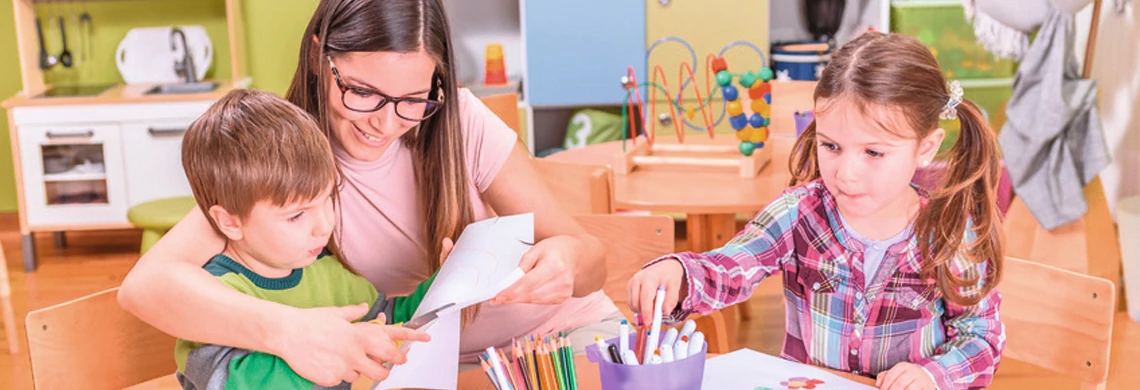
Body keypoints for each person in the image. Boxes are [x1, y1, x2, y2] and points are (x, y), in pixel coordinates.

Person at [118, 0, 622, 385]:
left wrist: (567, 260)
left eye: (413, 99)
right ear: (319, 54)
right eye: (362, 92)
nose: (385, 123)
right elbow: (148, 286)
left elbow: (590, 260)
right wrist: (287, 332)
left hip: (559, 345)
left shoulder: (459, 120)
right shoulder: (286, 159)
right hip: (424, 374)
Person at [627, 32, 1006, 390]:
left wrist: (933, 375)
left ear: (925, 147)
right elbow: (731, 266)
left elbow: (982, 336)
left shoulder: (951, 231)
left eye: (873, 152)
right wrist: (680, 273)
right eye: (831, 146)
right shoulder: (798, 213)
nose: (846, 173)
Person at [174, 89, 432, 390]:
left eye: (328, 200)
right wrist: (337, 348)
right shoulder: (214, 297)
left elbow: (389, 319)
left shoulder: (328, 272)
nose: (324, 226)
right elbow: (235, 383)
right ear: (230, 222)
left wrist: (448, 284)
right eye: (296, 216)